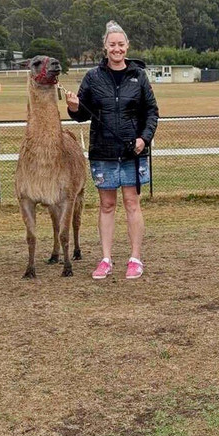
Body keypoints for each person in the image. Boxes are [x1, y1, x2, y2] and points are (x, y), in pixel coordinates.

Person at [65, 21, 159, 280]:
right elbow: (82, 114)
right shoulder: (93, 77)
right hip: (103, 152)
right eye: (111, 44)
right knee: (107, 204)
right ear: (105, 47)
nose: (116, 49)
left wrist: (144, 138)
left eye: (120, 44)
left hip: (133, 152)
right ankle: (105, 259)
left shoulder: (138, 76)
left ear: (127, 46)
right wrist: (73, 106)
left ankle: (135, 258)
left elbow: (151, 112)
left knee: (132, 203)